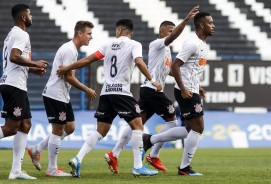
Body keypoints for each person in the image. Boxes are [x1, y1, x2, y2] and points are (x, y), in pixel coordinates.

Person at [56, 19, 162, 177]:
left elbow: (87, 60)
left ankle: (78, 158)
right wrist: (153, 80)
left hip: (106, 93)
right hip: (121, 93)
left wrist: (67, 68)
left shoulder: (107, 45)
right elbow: (139, 61)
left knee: (101, 131)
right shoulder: (135, 44)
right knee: (138, 125)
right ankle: (138, 167)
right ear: (129, 32)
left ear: (119, 31)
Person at [104, 6, 199, 174]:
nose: (173, 33)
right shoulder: (157, 44)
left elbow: (168, 70)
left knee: (137, 123)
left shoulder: (167, 51)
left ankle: (115, 153)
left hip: (147, 90)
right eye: (170, 31)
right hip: (152, 90)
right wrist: (185, 20)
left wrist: (187, 81)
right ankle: (153, 154)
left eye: (173, 30)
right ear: (162, 32)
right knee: (172, 121)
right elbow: (172, 37)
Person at [143, 12, 215, 176]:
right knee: (199, 128)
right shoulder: (192, 44)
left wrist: (198, 87)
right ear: (201, 25)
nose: (213, 25)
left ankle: (150, 139)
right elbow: (175, 66)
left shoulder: (203, 46)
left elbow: (191, 70)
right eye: (210, 23)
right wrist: (183, 88)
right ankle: (184, 168)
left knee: (190, 129)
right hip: (185, 90)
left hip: (192, 88)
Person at [26, 21, 97, 177]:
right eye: (89, 33)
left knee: (70, 127)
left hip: (62, 95)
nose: (91, 37)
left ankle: (36, 149)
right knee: (58, 130)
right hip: (55, 94)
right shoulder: (69, 50)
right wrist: (86, 89)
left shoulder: (73, 50)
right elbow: (67, 77)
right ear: (80, 33)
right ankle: (52, 169)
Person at [0, 4, 48, 180]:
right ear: (22, 17)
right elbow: (14, 56)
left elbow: (15, 61)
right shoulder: (21, 34)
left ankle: (16, 171)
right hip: (14, 85)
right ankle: (15, 171)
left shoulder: (12, 34)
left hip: (15, 84)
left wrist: (33, 69)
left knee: (25, 124)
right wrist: (35, 63)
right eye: (30, 14)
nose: (32, 17)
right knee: (11, 128)